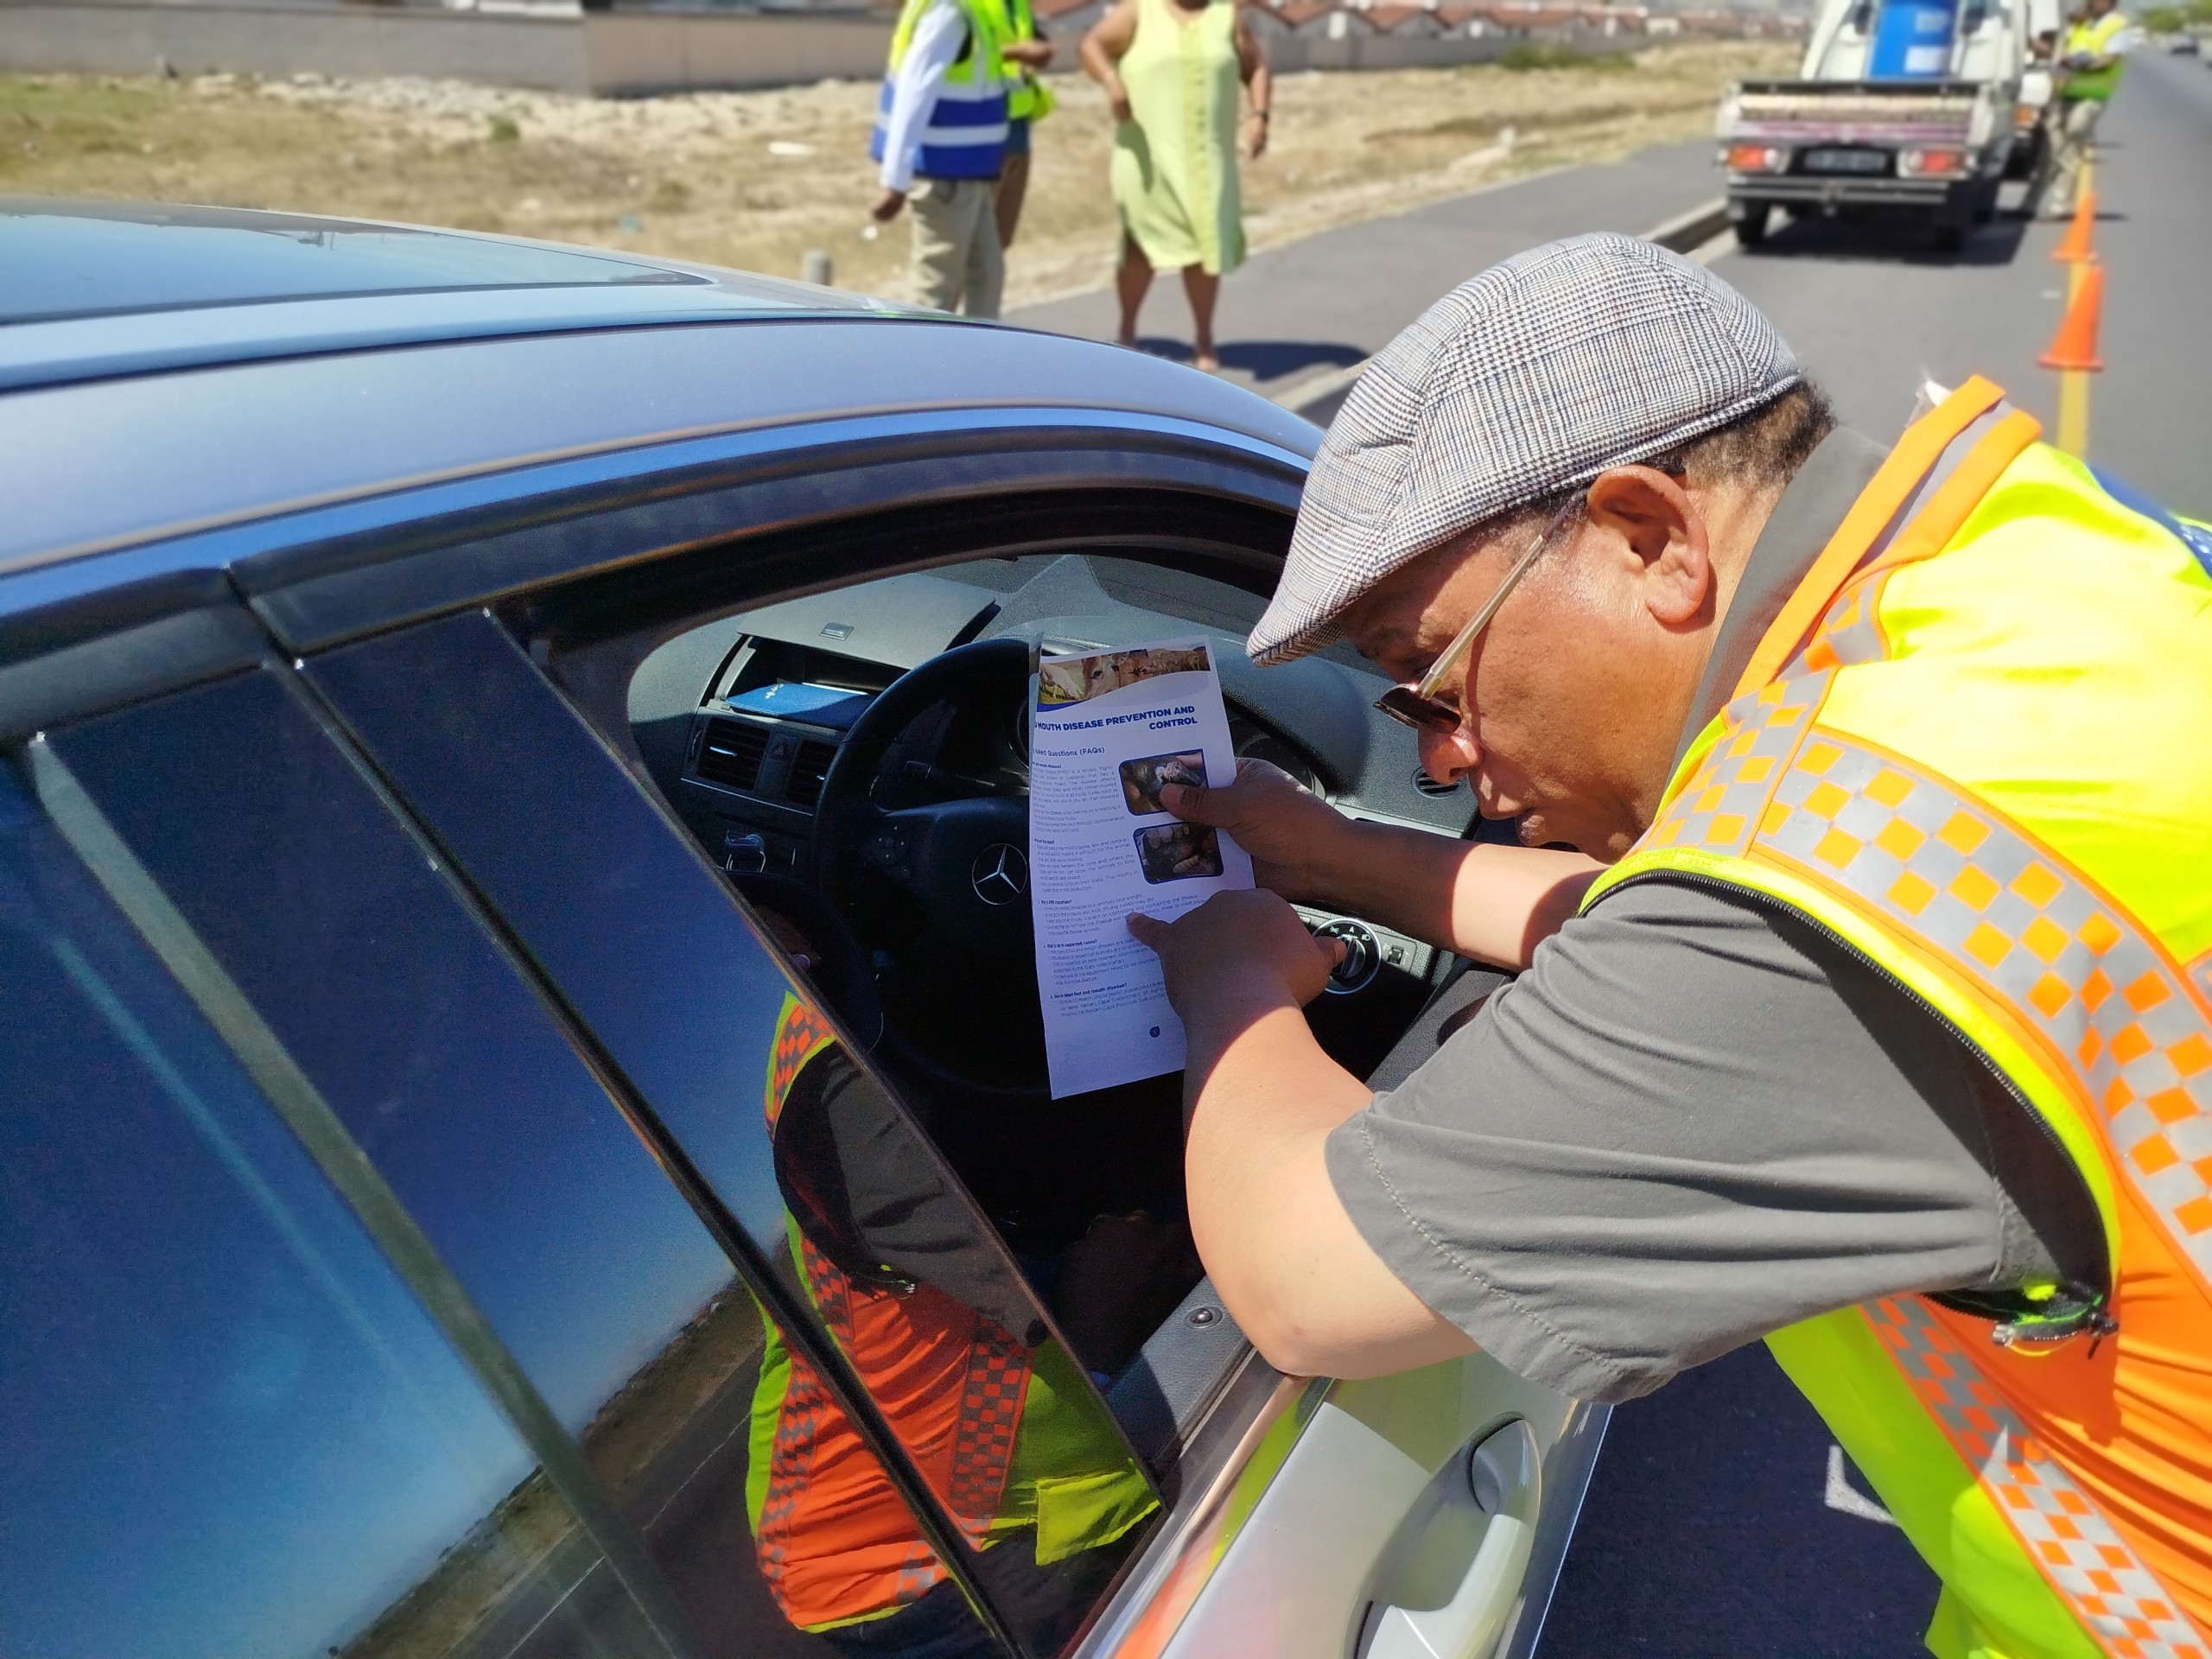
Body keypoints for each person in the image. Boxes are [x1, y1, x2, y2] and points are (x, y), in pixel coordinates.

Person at [1128, 232, 2212, 1658]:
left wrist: (1234, 984)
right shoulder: (2007, 605)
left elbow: (1306, 1276)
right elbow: (1731, 930)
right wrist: (1337, 857)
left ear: (1651, 539)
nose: (1445, 762)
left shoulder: (1817, 891)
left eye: (1424, 675)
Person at [1079, 0, 1270, 372]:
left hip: (1207, 159)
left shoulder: (1225, 16)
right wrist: (1111, 81)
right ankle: (1127, 331)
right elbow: (1092, 46)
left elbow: (1257, 67)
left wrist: (1260, 116)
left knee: (1205, 247)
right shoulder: (1139, 11)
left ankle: (1203, 337)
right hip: (1148, 157)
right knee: (1139, 247)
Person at [871, 0, 1014, 318]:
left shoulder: (968, 12)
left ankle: (980, 359)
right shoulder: (947, 12)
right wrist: (895, 181)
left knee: (987, 273)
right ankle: (917, 365)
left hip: (967, 172)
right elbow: (914, 92)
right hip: (945, 176)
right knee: (934, 291)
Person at [2035, 0, 2133, 218]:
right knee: (2052, 149)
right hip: (2065, 92)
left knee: (2074, 134)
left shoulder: (2118, 25)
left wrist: (2080, 63)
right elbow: (2058, 53)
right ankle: (2032, 202)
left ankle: (2060, 203)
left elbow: (2110, 58)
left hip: (2093, 95)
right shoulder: (2079, 23)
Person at [991, 0, 1057, 250]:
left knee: (998, 243)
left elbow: (1032, 39)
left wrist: (1042, 50)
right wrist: (1018, 52)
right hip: (981, 133)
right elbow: (959, 53)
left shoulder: (1019, 5)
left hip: (1018, 131)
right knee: (971, 243)